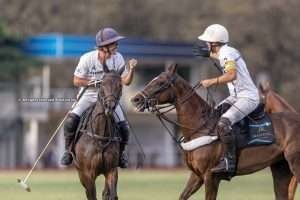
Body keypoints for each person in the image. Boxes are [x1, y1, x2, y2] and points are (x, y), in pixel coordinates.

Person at [61, 27, 137, 168]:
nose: (116, 46)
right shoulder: (87, 58)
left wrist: (131, 69)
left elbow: (126, 81)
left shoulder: (118, 58)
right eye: (113, 43)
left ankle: (121, 154)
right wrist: (95, 82)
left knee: (124, 126)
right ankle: (68, 151)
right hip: (89, 95)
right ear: (104, 47)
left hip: (109, 97)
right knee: (71, 120)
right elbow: (76, 80)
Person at [197, 24, 260, 175]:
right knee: (213, 115)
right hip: (236, 97)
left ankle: (229, 162)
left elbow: (232, 75)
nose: (206, 45)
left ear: (214, 43)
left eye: (208, 42)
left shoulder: (226, 53)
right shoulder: (227, 50)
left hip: (247, 98)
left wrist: (211, 82)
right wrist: (209, 55)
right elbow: (222, 57)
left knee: (223, 122)